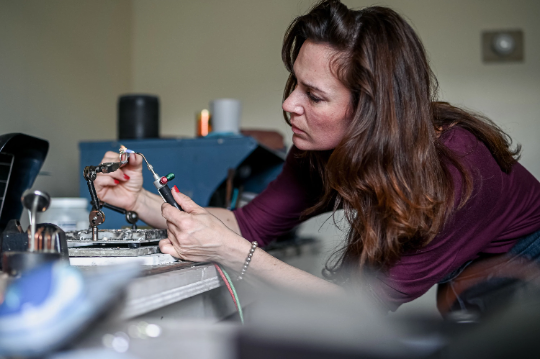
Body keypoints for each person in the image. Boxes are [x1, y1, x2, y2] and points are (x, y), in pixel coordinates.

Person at [94, 0, 540, 312]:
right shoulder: (317, 150)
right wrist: (139, 202)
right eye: (295, 84)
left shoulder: (457, 169)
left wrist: (233, 253)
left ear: (371, 110)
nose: (290, 104)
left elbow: (363, 307)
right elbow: (248, 226)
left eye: (315, 95)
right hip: (470, 277)